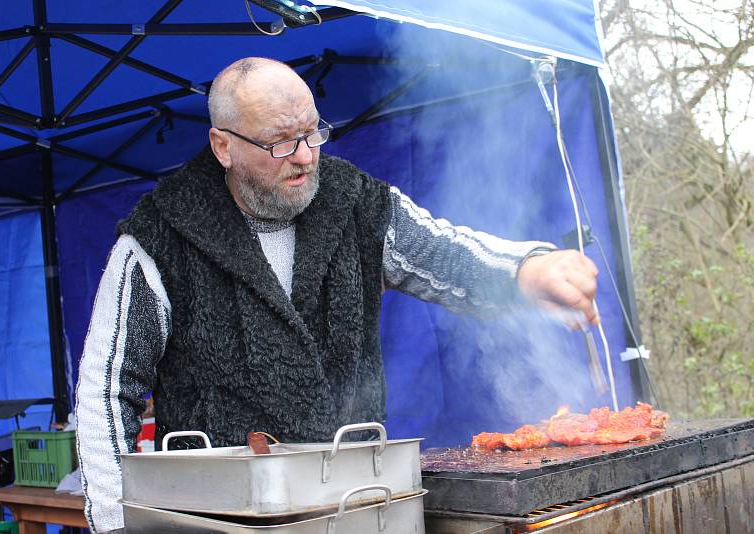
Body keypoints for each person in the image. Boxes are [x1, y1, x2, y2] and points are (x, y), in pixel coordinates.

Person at [75, 57, 598, 533]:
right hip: (220, 517)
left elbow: (442, 252)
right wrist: (116, 524)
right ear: (223, 146)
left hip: (358, 507)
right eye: (281, 141)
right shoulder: (159, 238)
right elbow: (106, 390)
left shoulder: (355, 201)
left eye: (313, 133)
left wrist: (525, 269)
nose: (304, 157)